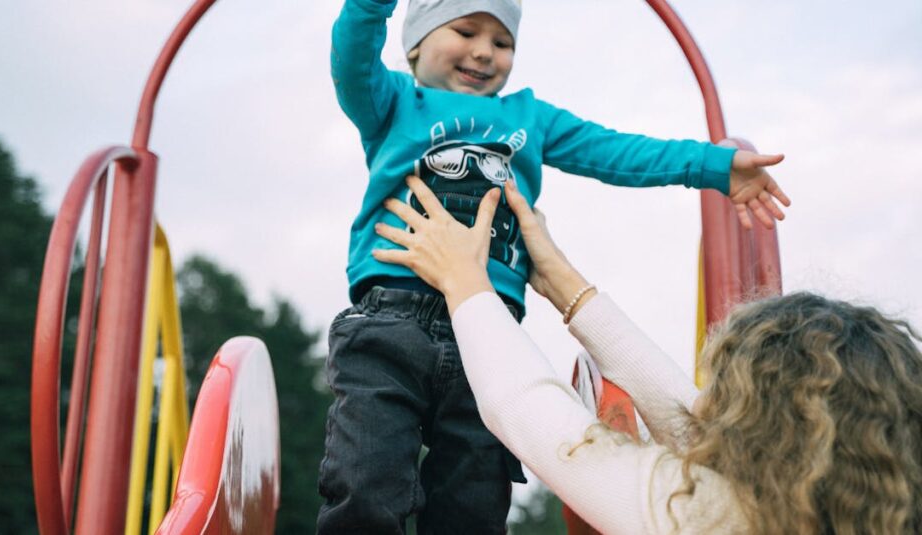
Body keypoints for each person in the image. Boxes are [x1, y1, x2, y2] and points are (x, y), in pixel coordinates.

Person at [320, 0, 792, 531]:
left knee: (474, 497)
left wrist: (714, 166)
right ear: (415, 46)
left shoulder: (528, 117)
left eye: (502, 42)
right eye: (465, 30)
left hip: (487, 332)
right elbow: (351, 55)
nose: (484, 51)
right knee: (364, 479)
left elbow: (615, 151)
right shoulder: (392, 103)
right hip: (390, 320)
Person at [373, 175, 922, 534]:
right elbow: (689, 415)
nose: (711, 403)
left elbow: (540, 420)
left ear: (772, 429)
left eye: (731, 398)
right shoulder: (837, 514)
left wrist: (463, 279)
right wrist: (566, 285)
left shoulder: (714, 519)